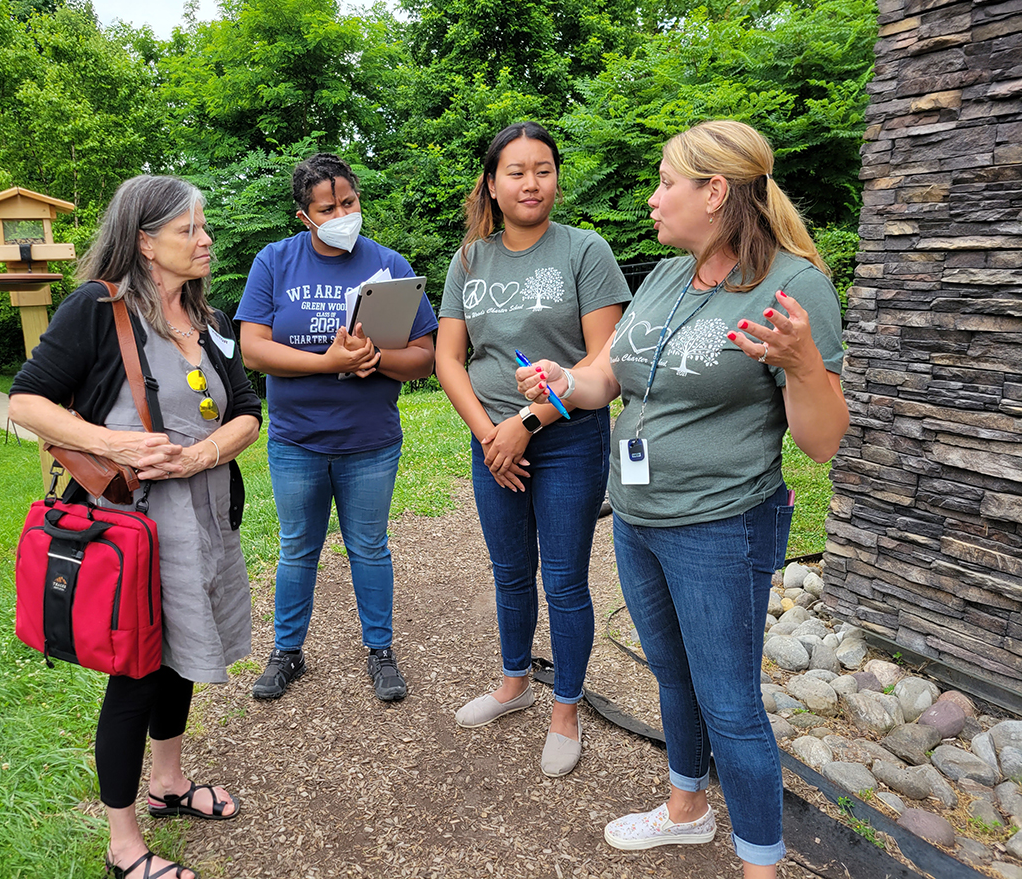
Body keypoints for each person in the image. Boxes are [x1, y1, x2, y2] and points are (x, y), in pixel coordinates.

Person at [516, 120, 849, 876]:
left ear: (716, 191)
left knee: (729, 706)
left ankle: (760, 864)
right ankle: (686, 810)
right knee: (671, 675)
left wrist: (802, 367)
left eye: (668, 182)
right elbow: (611, 376)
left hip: (721, 526)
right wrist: (566, 384)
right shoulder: (669, 276)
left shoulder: (793, 287)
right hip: (638, 516)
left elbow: (823, 441)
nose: (654, 197)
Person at [9, 175, 262, 879]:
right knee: (138, 673)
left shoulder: (207, 321)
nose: (206, 239)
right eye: (191, 229)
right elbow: (26, 404)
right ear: (146, 241)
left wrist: (208, 451)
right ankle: (124, 846)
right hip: (135, 535)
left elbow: (247, 410)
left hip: (206, 522)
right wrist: (118, 446)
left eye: (204, 226)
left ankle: (170, 784)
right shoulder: (98, 308)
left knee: (181, 657)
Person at [434, 121, 630, 777]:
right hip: (494, 445)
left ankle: (566, 708)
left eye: (542, 169)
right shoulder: (469, 260)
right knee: (510, 571)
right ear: (491, 182)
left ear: (556, 178)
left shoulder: (585, 252)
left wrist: (529, 422)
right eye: (515, 171)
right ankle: (514, 683)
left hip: (568, 440)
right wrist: (493, 434)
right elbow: (448, 358)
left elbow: (604, 364)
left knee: (567, 578)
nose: (530, 182)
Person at [235, 152, 437, 703]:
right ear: (305, 216)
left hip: (369, 440)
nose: (343, 213)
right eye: (328, 208)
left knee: (369, 547)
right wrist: (331, 362)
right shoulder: (275, 262)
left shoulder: (390, 265)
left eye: (349, 202)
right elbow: (254, 349)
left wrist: (377, 359)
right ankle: (287, 652)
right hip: (297, 439)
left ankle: (380, 650)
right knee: (298, 546)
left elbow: (425, 355)